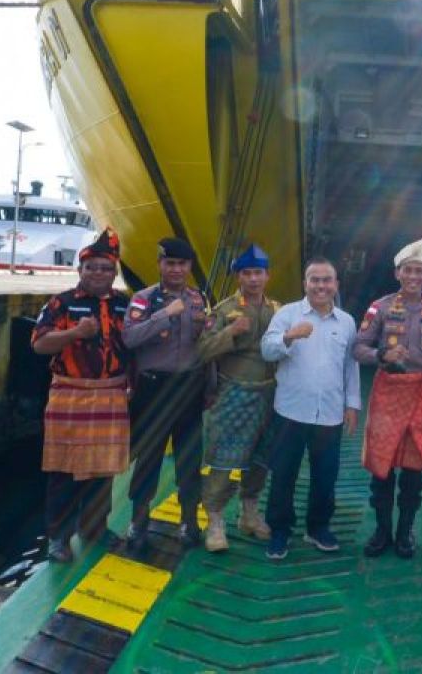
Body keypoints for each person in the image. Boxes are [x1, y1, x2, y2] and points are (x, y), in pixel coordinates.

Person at [31, 229, 130, 563]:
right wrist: (74, 333)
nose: (98, 273)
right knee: (63, 471)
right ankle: (58, 537)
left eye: (105, 268)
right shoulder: (61, 302)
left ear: (114, 272)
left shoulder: (124, 304)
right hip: (70, 394)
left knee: (103, 472)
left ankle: (95, 528)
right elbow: (39, 344)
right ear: (80, 270)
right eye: (92, 268)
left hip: (110, 394)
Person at [354, 239, 422, 559]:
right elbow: (358, 348)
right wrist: (382, 353)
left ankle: (405, 531)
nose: (413, 276)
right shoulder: (378, 307)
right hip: (388, 392)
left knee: (412, 471)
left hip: (421, 394)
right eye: (408, 270)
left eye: (419, 271)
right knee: (381, 469)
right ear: (397, 273)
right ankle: (382, 530)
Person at [260, 257, 361, 560]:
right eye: (314, 279)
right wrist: (289, 337)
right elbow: (267, 349)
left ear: (336, 285)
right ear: (304, 283)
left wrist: (352, 405)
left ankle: (318, 527)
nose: (320, 285)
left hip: (329, 412)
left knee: (326, 474)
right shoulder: (287, 314)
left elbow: (350, 367)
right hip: (290, 410)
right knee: (283, 473)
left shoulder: (346, 321)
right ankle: (279, 530)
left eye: (326, 280)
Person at [122, 238, 210, 548]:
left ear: (189, 267)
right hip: (154, 387)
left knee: (189, 457)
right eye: (170, 263)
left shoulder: (198, 300)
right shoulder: (144, 300)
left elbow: (204, 344)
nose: (176, 270)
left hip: (188, 387)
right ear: (160, 264)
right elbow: (130, 338)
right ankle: (138, 522)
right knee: (149, 457)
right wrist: (166, 315)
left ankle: (189, 521)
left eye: (182, 264)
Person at [197, 243, 279, 552]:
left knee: (260, 456)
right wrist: (230, 333)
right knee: (223, 456)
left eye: (258, 273)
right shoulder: (223, 311)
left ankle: (249, 513)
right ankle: (215, 521)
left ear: (267, 276)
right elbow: (202, 351)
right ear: (238, 276)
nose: (253, 279)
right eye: (247, 273)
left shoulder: (277, 310)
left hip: (269, 393)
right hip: (234, 392)